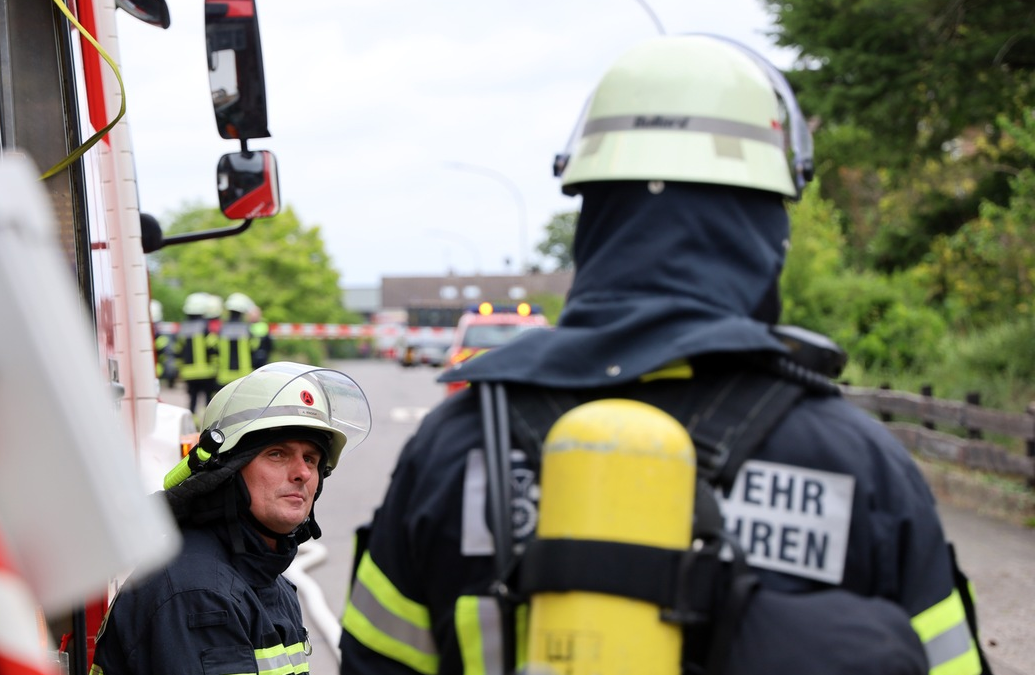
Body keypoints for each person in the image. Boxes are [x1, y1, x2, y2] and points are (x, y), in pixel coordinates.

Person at [339, 35, 989, 675]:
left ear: (592, 208)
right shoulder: (859, 465)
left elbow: (375, 661)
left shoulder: (457, 444)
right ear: (769, 223)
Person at [90, 362, 372, 675]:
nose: (302, 473)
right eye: (277, 454)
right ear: (227, 472)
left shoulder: (270, 581)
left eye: (311, 458)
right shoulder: (199, 594)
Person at [175, 292, 222, 417]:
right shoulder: (206, 327)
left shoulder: (183, 328)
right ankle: (209, 420)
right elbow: (213, 348)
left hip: (189, 373)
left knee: (193, 400)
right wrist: (217, 367)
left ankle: (193, 420)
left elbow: (178, 350)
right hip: (207, 372)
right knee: (209, 400)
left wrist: (179, 369)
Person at [217, 292, 257, 387]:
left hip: (224, 376)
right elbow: (254, 347)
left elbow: (215, 348)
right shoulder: (247, 329)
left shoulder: (222, 329)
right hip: (243, 377)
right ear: (242, 312)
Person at [247, 304, 274, 369]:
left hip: (262, 355)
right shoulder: (246, 326)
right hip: (250, 357)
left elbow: (269, 343)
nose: (254, 315)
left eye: (256, 313)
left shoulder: (264, 325)